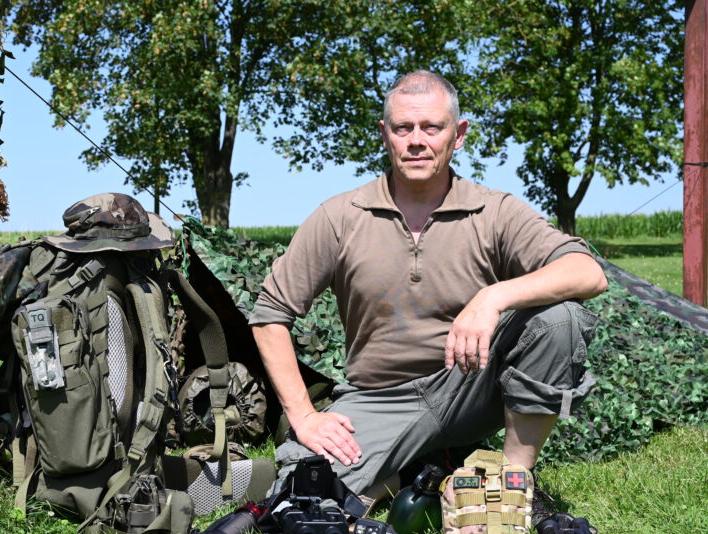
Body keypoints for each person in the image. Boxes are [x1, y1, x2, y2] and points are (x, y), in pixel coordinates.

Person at [249, 70, 608, 504]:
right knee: (304, 488)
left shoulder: (494, 212)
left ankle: (511, 486)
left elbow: (587, 273)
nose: (416, 140)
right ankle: (427, 469)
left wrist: (492, 297)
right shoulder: (340, 216)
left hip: (472, 387)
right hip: (380, 400)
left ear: (457, 136)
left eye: (431, 128)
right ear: (385, 135)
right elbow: (270, 316)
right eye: (403, 128)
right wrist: (304, 416)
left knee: (558, 318)